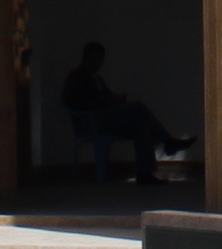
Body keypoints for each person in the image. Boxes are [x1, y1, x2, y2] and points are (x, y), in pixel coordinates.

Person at [60, 38, 175, 185]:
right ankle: (167, 141)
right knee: (138, 107)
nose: (98, 63)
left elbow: (106, 97)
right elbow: (77, 101)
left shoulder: (97, 78)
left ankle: (145, 174)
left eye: (101, 59)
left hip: (106, 118)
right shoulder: (76, 77)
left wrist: (115, 99)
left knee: (142, 128)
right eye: (95, 59)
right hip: (92, 121)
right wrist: (104, 101)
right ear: (86, 57)